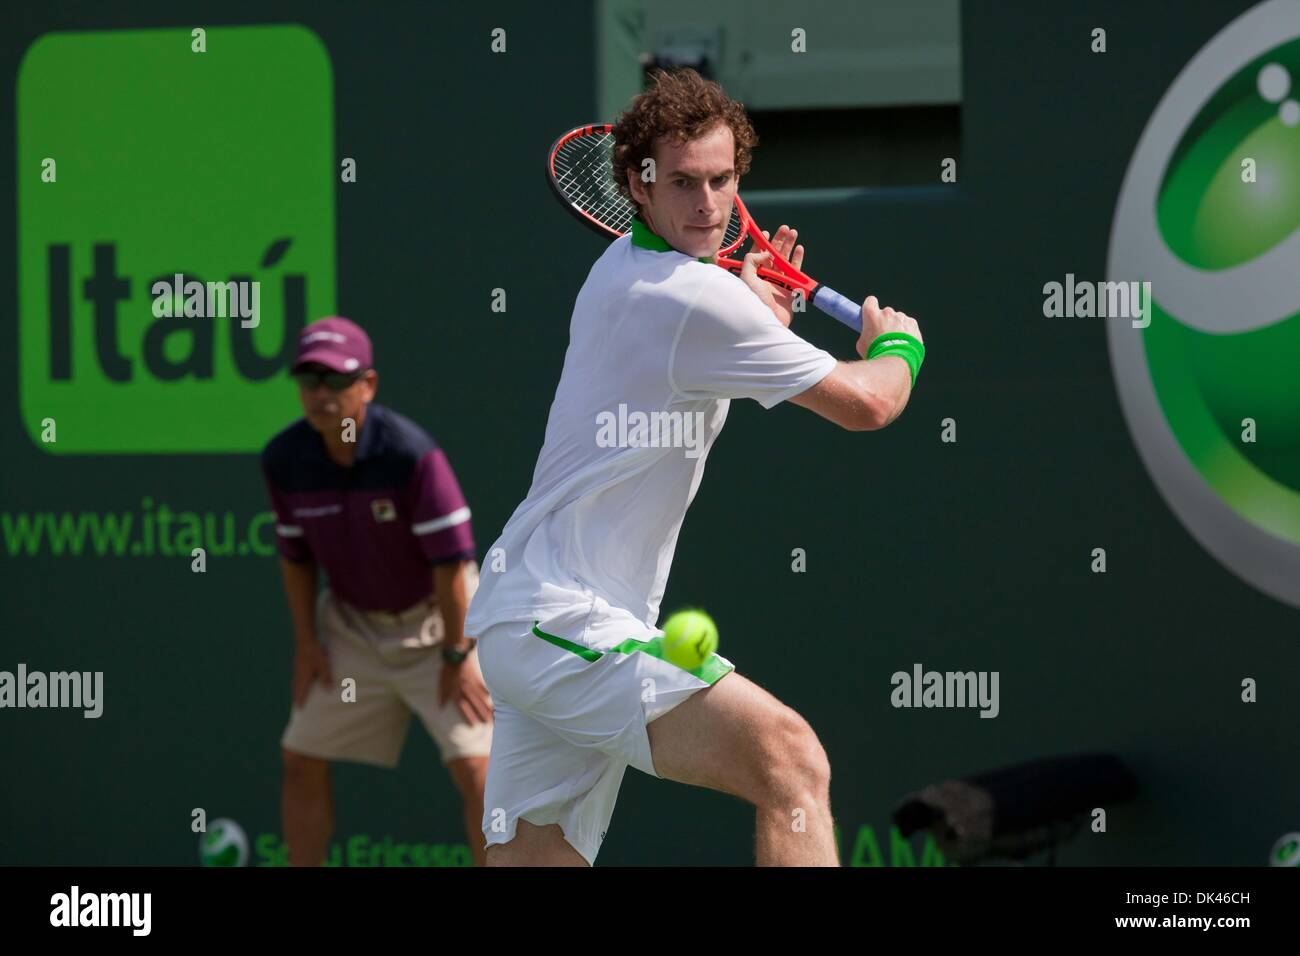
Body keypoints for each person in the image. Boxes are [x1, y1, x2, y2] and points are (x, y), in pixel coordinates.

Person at [464, 69, 924, 866]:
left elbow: (694, 354)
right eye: (680, 182)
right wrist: (899, 346)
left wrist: (755, 315)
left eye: (721, 180)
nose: (707, 204)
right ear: (636, 188)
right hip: (559, 619)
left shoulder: (641, 273)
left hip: (542, 622)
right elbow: (868, 404)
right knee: (789, 760)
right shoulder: (688, 298)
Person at [262, 316, 493, 866]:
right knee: (299, 755)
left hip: (443, 622)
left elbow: (451, 565)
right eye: (309, 380)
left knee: (481, 775)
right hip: (351, 629)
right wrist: (306, 643)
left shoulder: (411, 456)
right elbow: (295, 558)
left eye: (335, 380)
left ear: (367, 384)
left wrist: (457, 654)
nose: (321, 394)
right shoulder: (285, 460)